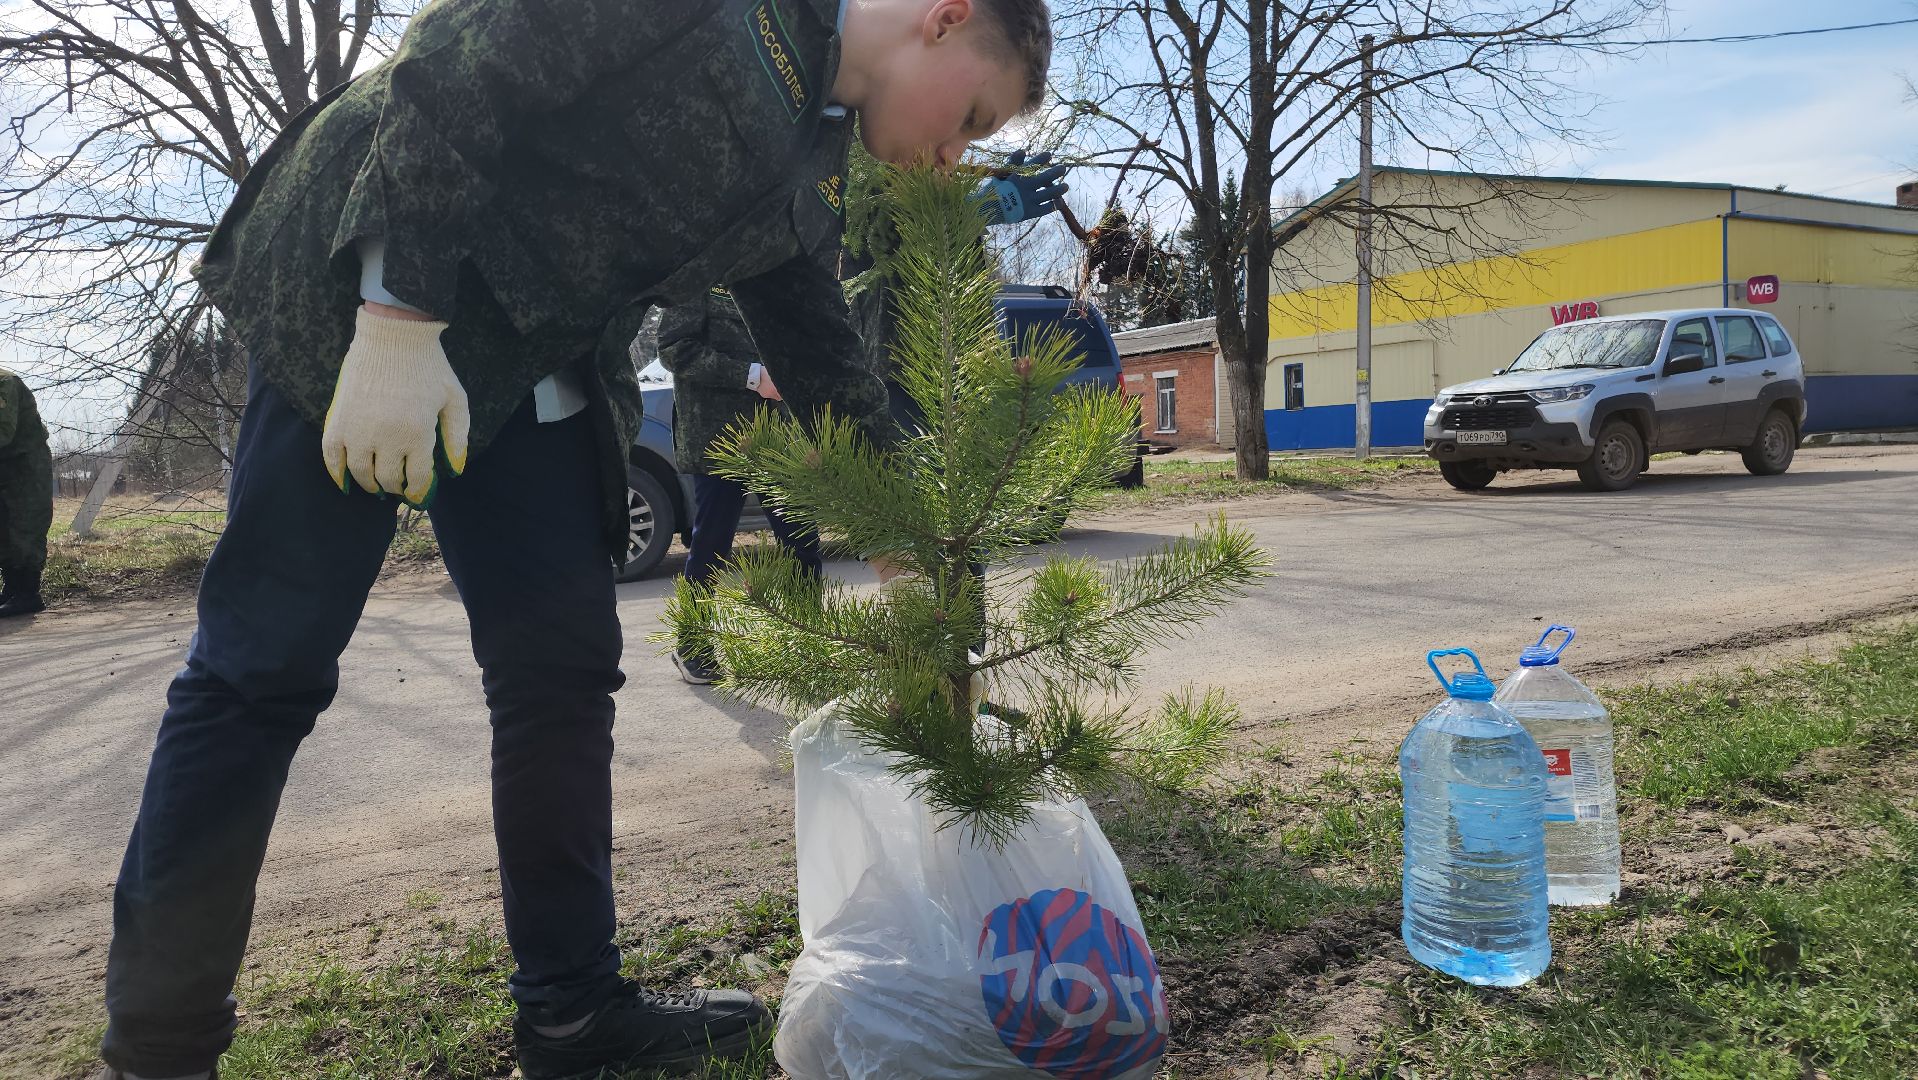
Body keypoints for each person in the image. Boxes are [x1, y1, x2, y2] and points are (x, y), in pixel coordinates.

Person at [92, 0, 1053, 1077]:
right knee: (260, 670)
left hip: (531, 353)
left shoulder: (805, 151)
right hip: (367, 301)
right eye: (970, 114)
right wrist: (399, 313)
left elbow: (816, 342)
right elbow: (456, 66)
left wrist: (909, 549)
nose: (951, 156)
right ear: (944, 15)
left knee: (560, 673)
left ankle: (571, 1014)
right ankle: (160, 1052)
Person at [659, 287, 825, 685]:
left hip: (779, 434)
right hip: (719, 436)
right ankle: (692, 643)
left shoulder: (770, 273)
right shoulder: (698, 275)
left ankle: (809, 644)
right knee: (712, 541)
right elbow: (674, 349)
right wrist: (751, 377)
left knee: (801, 538)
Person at [0, 367, 53, 618]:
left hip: (25, 464)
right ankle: (11, 590)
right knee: (3, 528)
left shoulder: (4, 382)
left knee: (25, 525)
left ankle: (28, 594)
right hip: (5, 465)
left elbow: (3, 432)